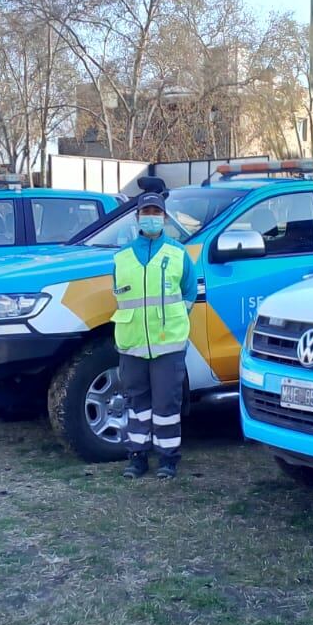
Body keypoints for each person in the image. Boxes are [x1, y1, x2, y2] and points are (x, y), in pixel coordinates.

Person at [112, 193, 198, 480]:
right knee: (136, 405)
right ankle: (136, 457)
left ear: (164, 217)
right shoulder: (122, 258)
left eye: (156, 212)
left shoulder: (177, 254)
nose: (151, 217)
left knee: (166, 406)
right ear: (137, 217)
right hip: (132, 343)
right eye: (146, 212)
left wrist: (175, 321)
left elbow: (189, 292)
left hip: (168, 345)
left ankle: (167, 458)